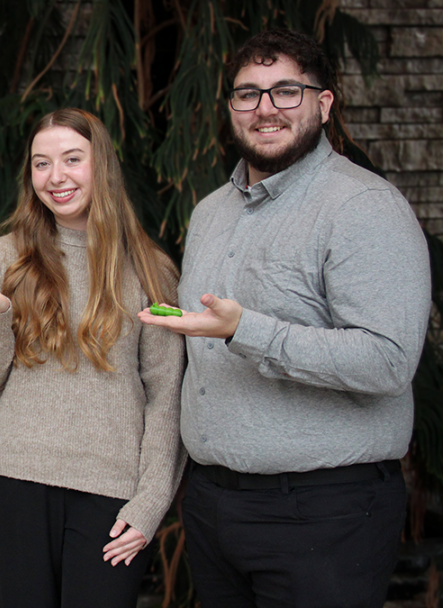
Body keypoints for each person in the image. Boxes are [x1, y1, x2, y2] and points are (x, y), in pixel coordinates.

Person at [139, 29, 431, 608]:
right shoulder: (209, 212)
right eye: (248, 94)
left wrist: (247, 330)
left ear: (323, 105)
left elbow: (388, 362)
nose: (265, 108)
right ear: (231, 110)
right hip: (215, 505)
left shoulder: (362, 207)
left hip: (323, 513)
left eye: (285, 92)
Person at [0, 108, 186, 607]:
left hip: (111, 489)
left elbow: (167, 395)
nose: (55, 177)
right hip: (17, 478)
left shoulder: (149, 268)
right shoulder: (2, 256)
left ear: (101, 166)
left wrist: (150, 502)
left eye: (72, 159)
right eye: (41, 163)